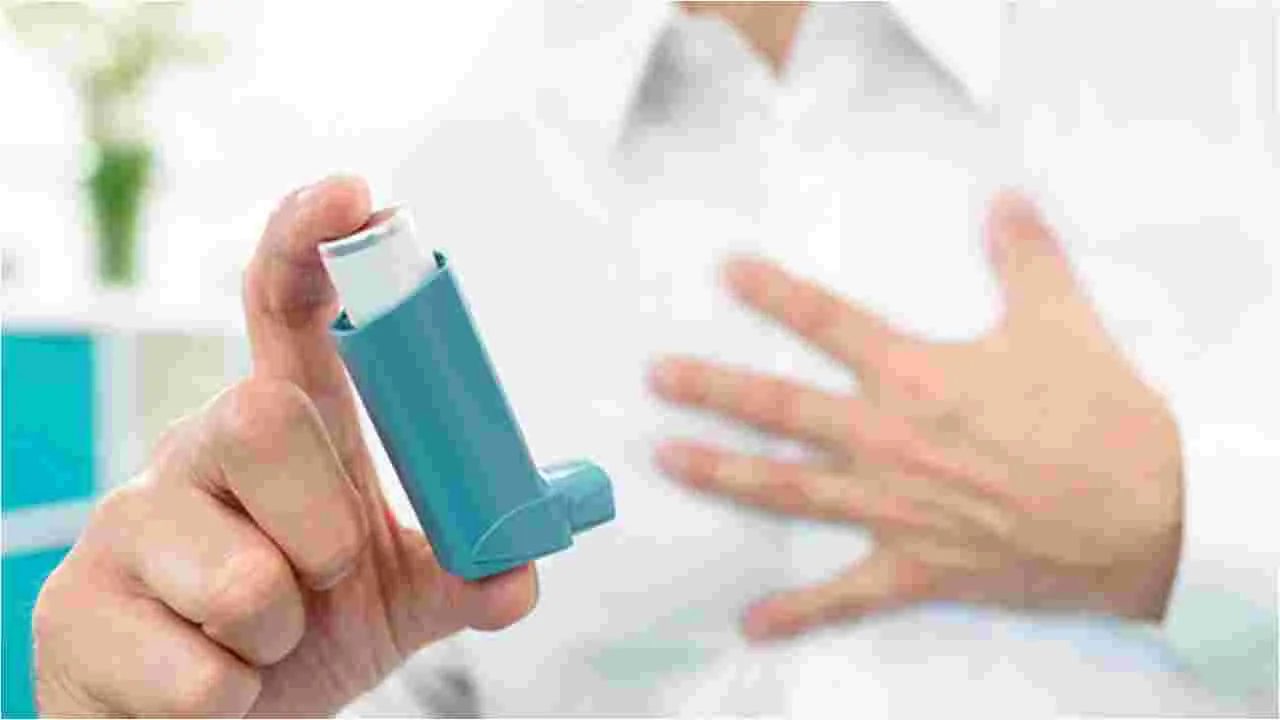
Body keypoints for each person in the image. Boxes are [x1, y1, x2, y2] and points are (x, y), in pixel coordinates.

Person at [32, 2, 1277, 716]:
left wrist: (1184, 529)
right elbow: (404, 677)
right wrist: (220, 690)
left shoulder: (1223, 64)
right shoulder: (423, 180)